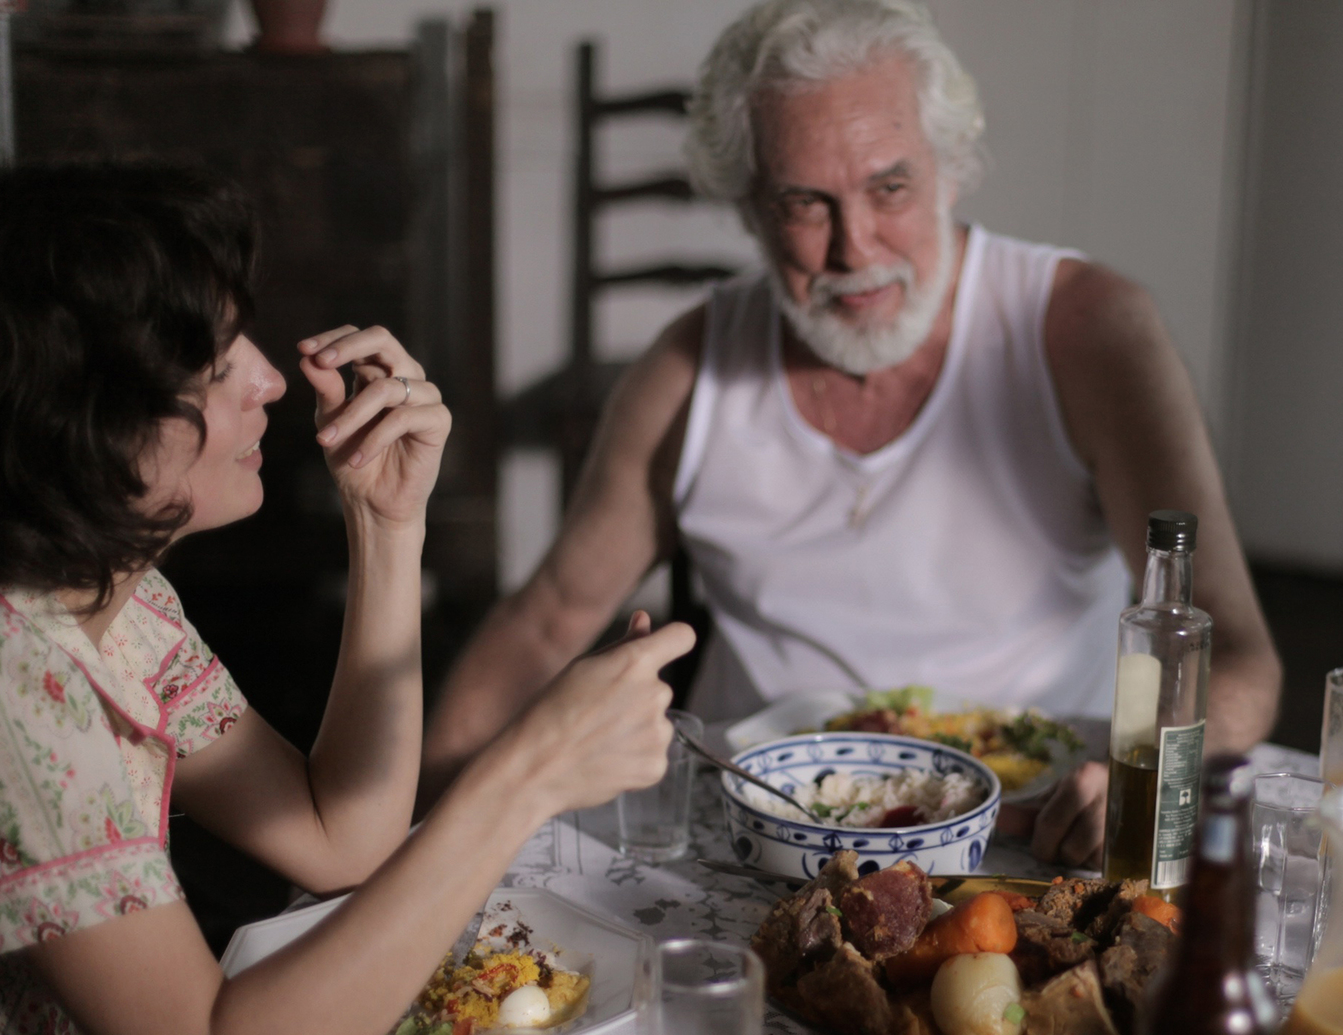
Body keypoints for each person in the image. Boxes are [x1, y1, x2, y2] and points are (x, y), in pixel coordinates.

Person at [0, 163, 693, 1035]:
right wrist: (523, 775)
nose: (264, 380)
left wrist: (386, 527)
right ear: (81, 423)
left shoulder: (102, 593)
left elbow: (335, 830)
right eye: (211, 366)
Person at [421, 0, 1282, 865]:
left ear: (951, 168)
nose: (855, 248)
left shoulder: (1087, 330)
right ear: (749, 204)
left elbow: (1236, 653)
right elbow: (544, 624)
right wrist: (407, 844)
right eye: (805, 203)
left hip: (1029, 844)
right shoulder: (690, 368)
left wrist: (1139, 774)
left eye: (890, 188)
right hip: (757, 847)